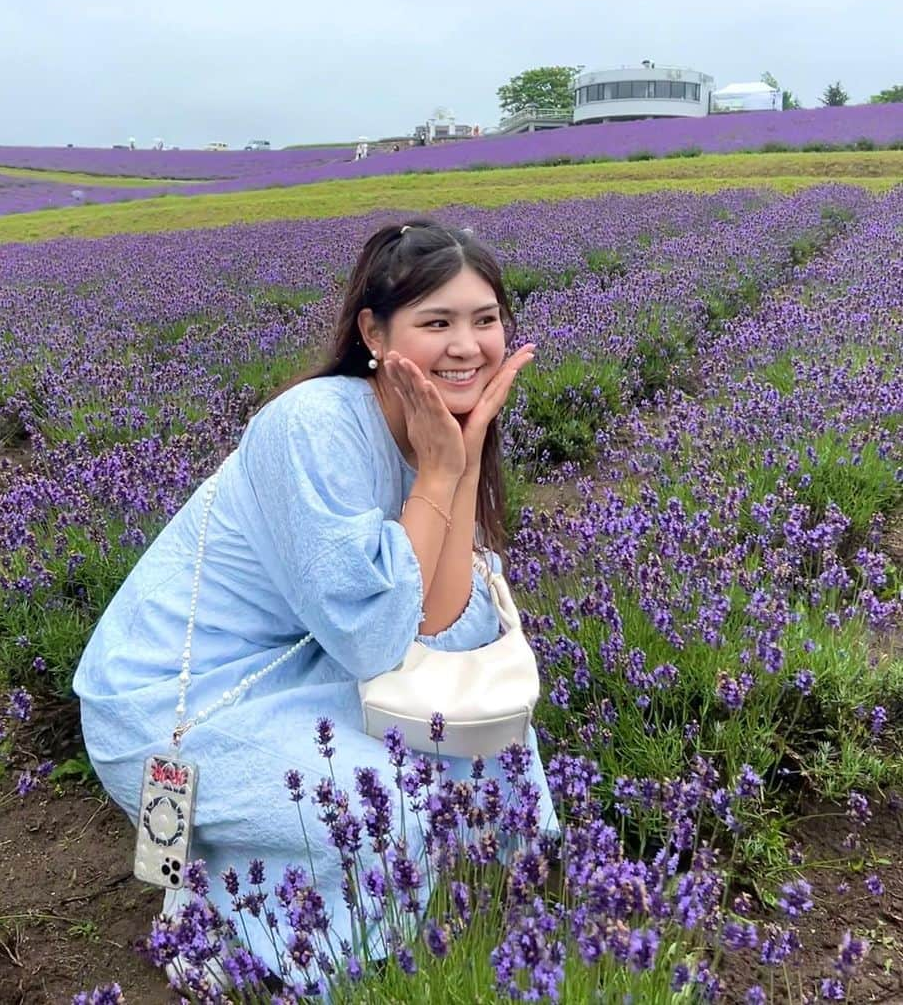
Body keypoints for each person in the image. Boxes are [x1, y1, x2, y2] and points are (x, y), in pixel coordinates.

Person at [74, 218, 557, 981]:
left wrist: (459, 461)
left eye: (486, 320)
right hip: (178, 705)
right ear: (374, 331)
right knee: (383, 808)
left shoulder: (438, 427)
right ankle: (234, 930)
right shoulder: (314, 425)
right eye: (437, 322)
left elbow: (442, 633)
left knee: (485, 738)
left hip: (300, 670)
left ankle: (440, 923)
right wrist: (438, 473)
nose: (468, 346)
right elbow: (373, 641)